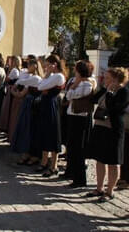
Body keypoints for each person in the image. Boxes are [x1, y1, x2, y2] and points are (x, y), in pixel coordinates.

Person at [87, 67, 129, 202]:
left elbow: (114, 109)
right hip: (101, 127)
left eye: (107, 78)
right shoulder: (106, 90)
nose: (105, 79)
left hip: (113, 129)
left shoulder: (123, 92)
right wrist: (104, 89)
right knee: (100, 159)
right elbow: (93, 100)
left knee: (112, 161)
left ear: (116, 79)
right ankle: (99, 188)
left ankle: (110, 191)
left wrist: (110, 93)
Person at [65, 60, 96, 188]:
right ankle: (71, 172)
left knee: (78, 149)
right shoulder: (79, 82)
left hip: (80, 118)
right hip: (73, 116)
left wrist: (73, 87)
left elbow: (70, 95)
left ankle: (79, 179)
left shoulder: (87, 84)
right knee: (71, 147)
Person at [37, 55, 66, 177]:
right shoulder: (53, 76)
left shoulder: (59, 76)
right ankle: (44, 161)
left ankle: (53, 166)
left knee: (53, 134)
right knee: (44, 133)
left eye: (49, 64)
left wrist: (47, 76)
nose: (46, 67)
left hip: (52, 106)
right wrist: (47, 77)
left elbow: (41, 86)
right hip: (46, 104)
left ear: (54, 64)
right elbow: (42, 86)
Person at [11, 59, 43, 165]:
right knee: (26, 128)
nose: (28, 67)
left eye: (29, 65)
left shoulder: (36, 78)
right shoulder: (31, 77)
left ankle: (34, 155)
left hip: (34, 105)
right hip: (28, 104)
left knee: (32, 128)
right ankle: (27, 153)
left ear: (35, 66)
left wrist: (14, 89)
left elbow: (21, 82)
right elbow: (22, 91)